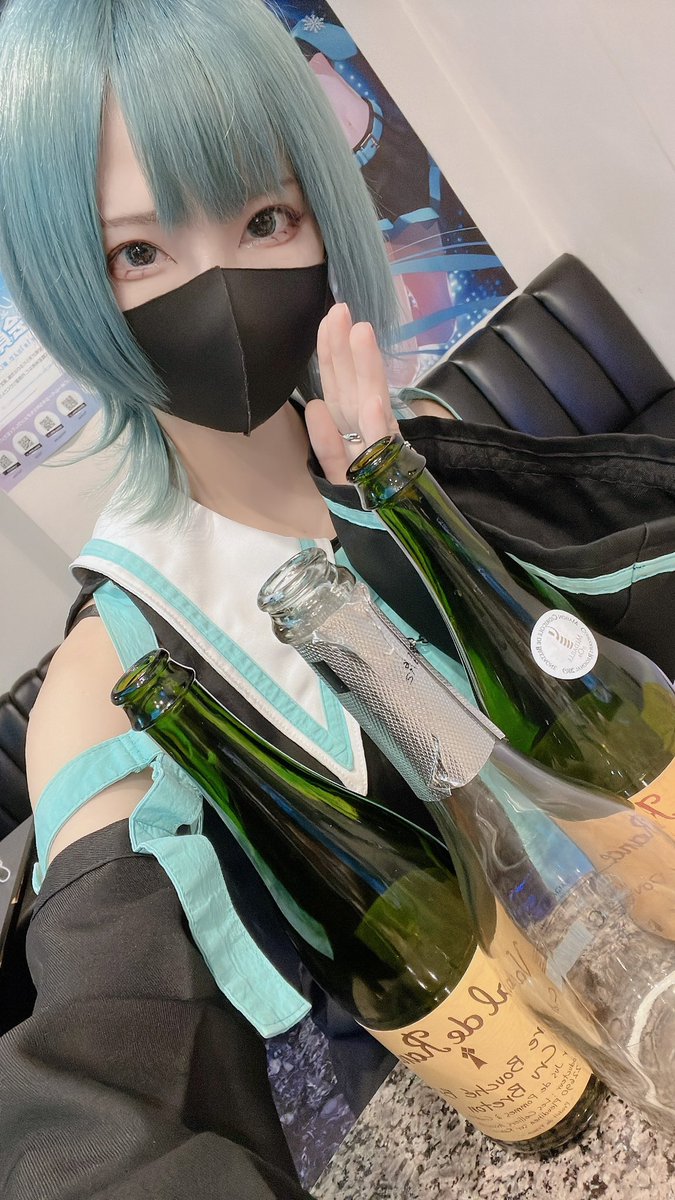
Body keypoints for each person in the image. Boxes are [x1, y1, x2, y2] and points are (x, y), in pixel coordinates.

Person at [0, 1, 455, 1197]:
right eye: (137, 254)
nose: (218, 288)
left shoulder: (427, 449)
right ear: (70, 284)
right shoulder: (107, 691)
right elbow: (112, 1084)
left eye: (263, 220)